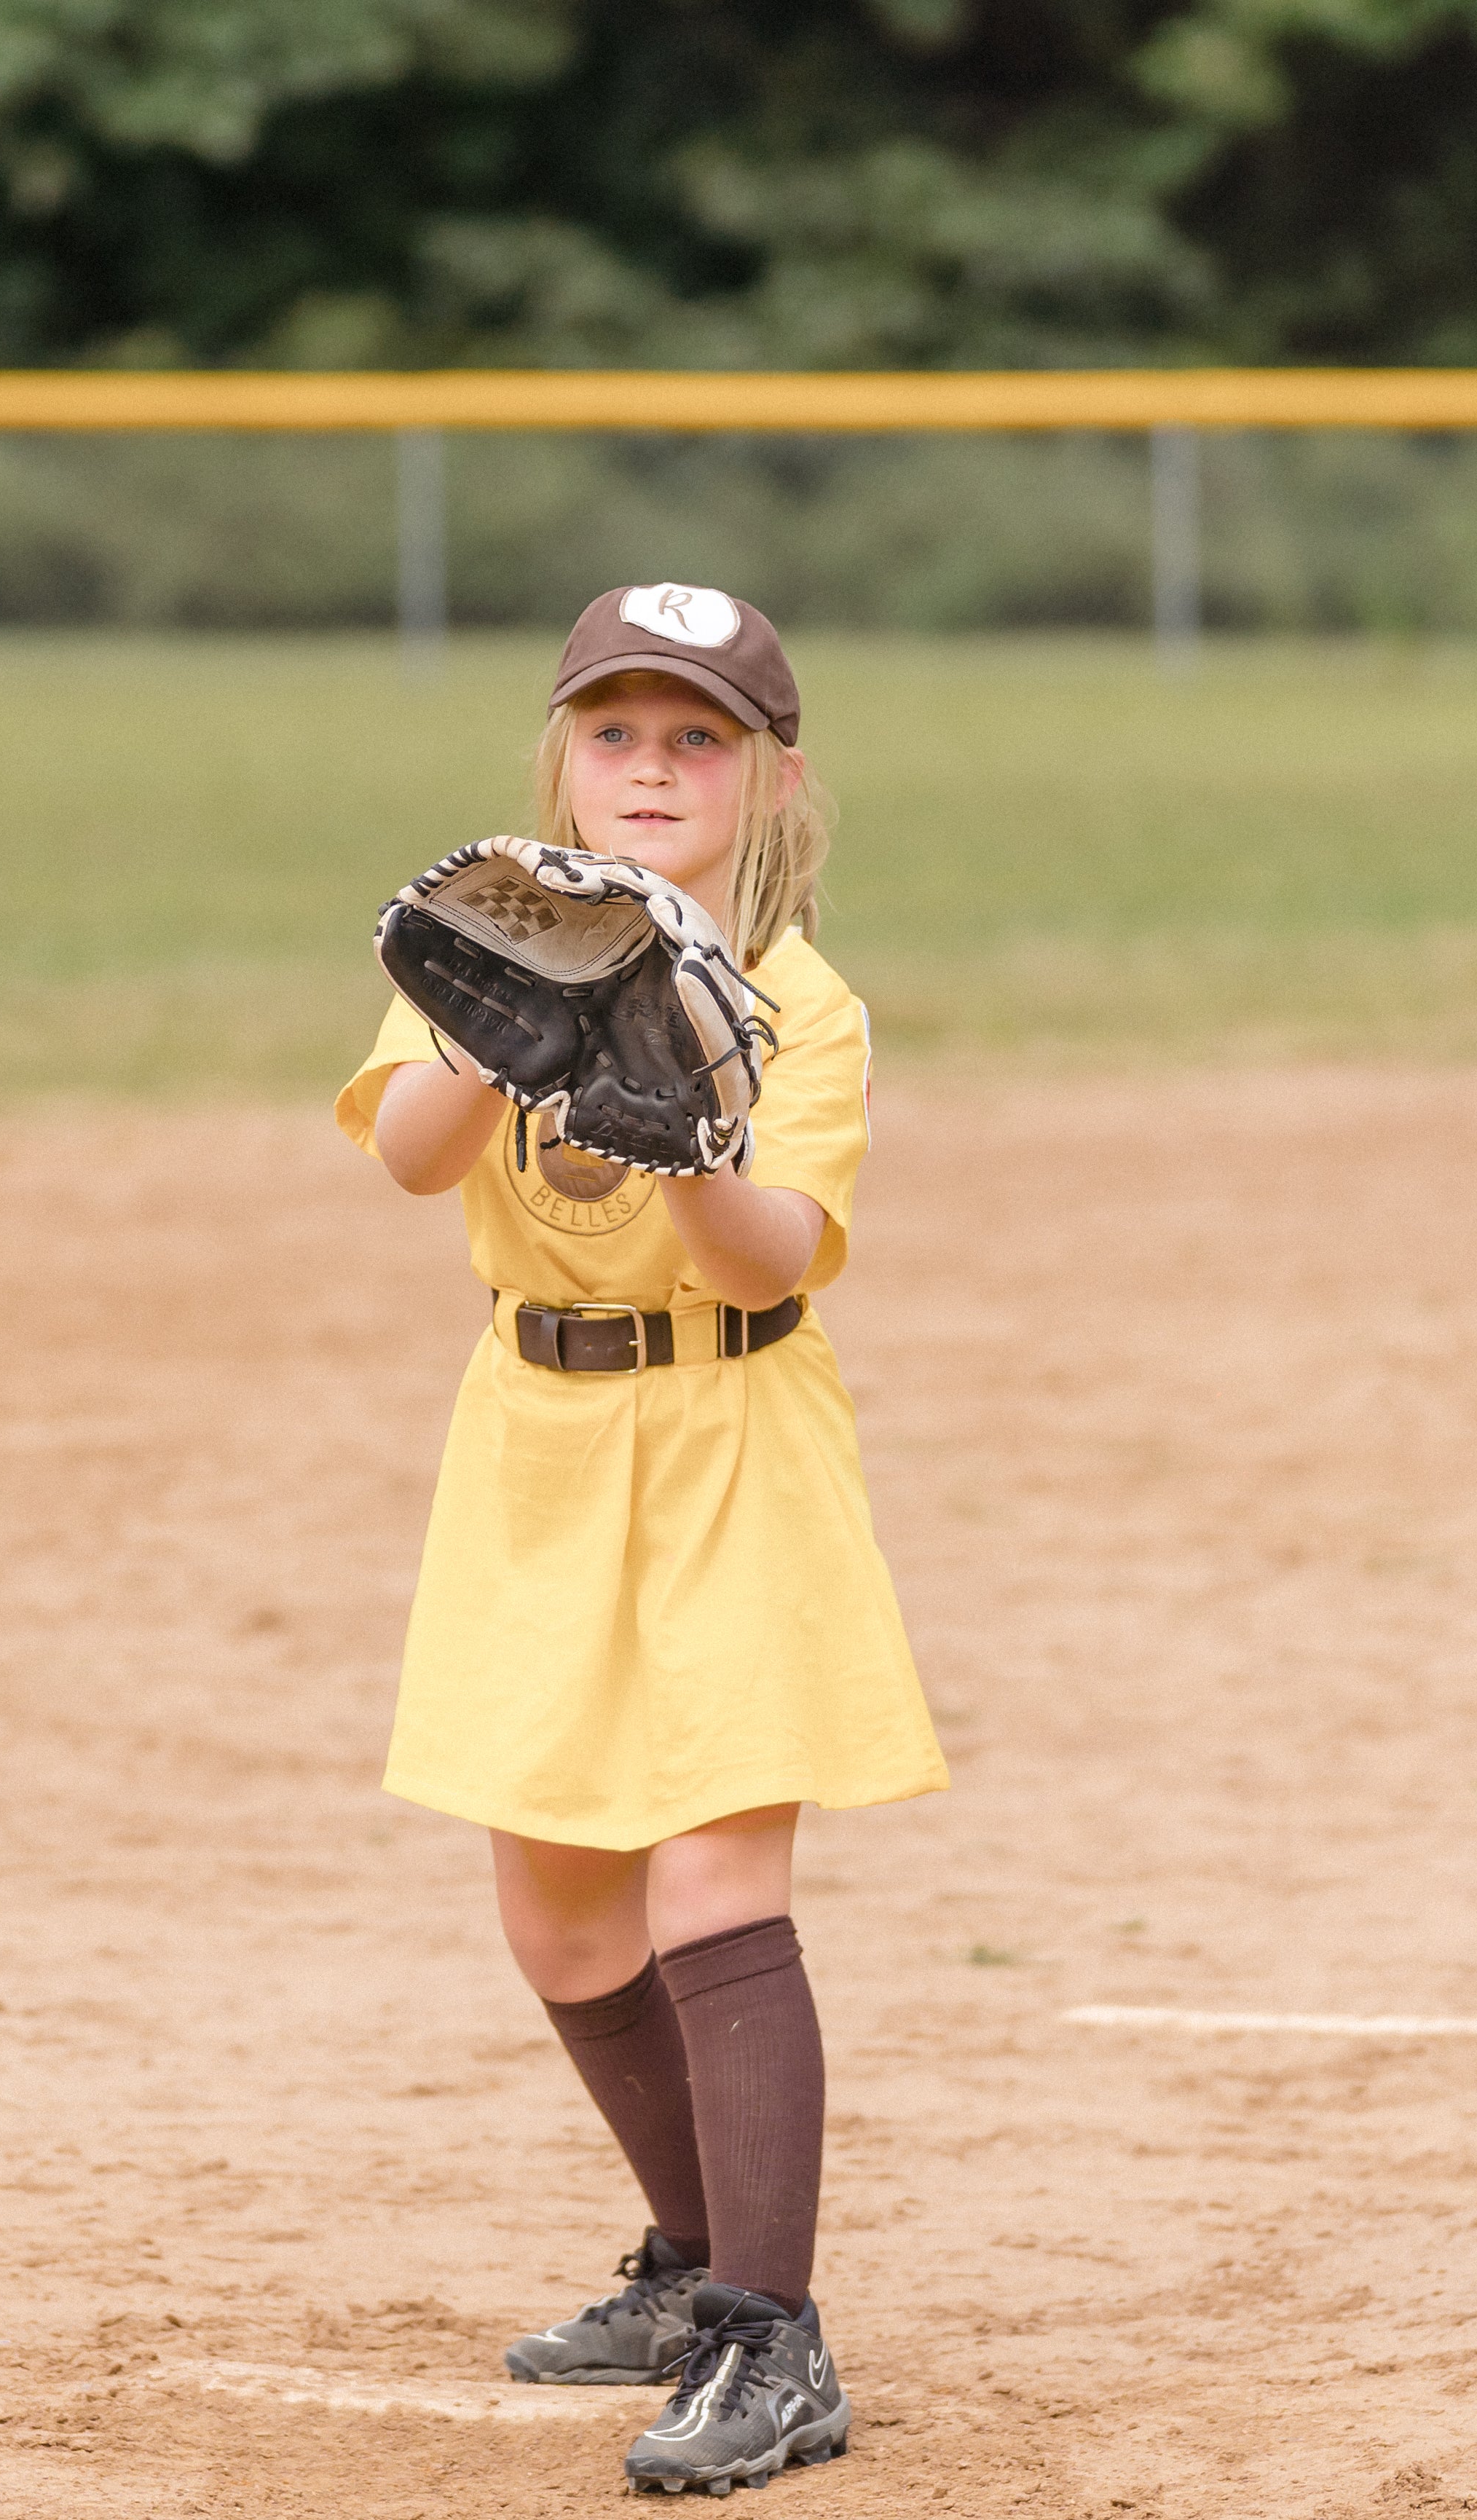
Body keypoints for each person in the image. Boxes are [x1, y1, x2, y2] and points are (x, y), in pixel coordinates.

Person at [333, 583, 948, 2496]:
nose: (654, 767)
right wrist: (497, 1022)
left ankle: (775, 2337)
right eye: (617, 732)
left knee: (708, 1876)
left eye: (697, 738)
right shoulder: (491, 929)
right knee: (560, 1905)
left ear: (770, 778)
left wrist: (682, 1124)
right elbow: (409, 1152)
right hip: (535, 1436)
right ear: (563, 761)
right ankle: (695, 2257)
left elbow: (781, 1245)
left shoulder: (800, 998)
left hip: (730, 1429)